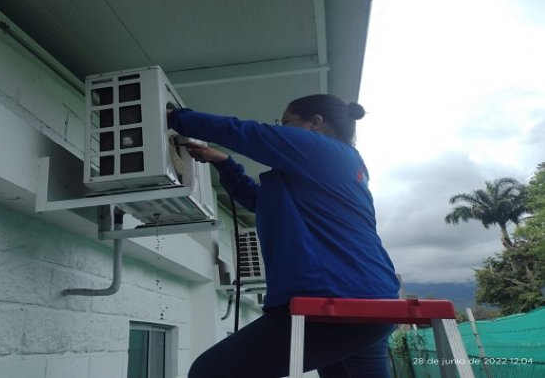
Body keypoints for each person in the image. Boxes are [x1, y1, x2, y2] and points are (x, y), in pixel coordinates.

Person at [166, 94, 400, 378]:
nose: (281, 129)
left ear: (316, 123)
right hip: (373, 304)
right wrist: (224, 163)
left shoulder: (322, 150)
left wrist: (175, 117)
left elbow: (252, 135)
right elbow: (258, 200)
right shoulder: (331, 168)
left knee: (210, 371)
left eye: (286, 123)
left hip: (334, 303)